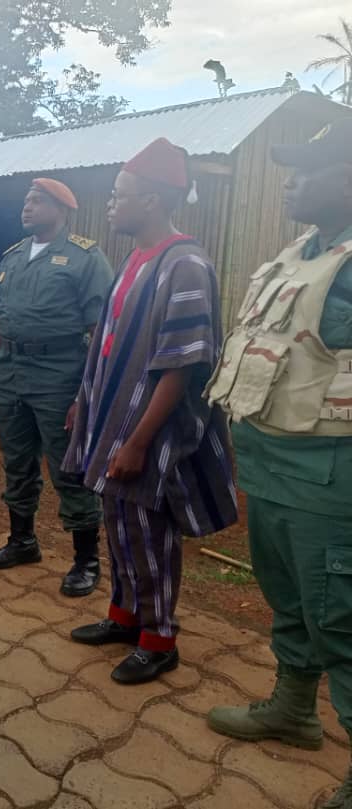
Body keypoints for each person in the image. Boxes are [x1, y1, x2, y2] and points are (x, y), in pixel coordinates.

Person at [204, 120, 352, 807]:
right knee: (290, 601)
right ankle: (293, 710)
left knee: (342, 622)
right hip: (270, 466)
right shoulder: (303, 252)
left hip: (329, 483)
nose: (291, 182)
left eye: (310, 169)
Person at [64, 138, 237, 685]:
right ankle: (124, 616)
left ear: (154, 200)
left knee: (148, 530)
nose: (111, 205)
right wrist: (85, 404)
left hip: (148, 429)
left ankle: (160, 639)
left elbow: (183, 365)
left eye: (120, 195)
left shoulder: (185, 264)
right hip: (113, 419)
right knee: (119, 525)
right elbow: (110, 346)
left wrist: (138, 442)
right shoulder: (135, 259)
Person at [0, 179, 114, 597]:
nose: (27, 207)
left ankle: (86, 561)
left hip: (59, 374)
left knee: (68, 469)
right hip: (10, 373)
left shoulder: (86, 258)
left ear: (62, 210)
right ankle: (22, 541)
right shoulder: (12, 257)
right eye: (26, 201)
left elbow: (101, 333)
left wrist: (84, 395)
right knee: (17, 462)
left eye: (37, 201)